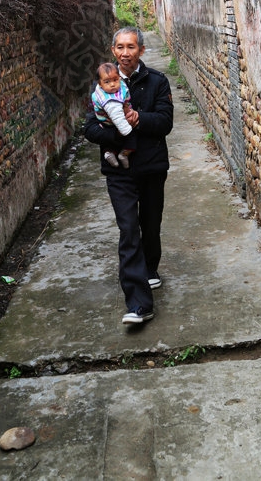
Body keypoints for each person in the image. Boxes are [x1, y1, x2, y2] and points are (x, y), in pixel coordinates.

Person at [84, 27, 173, 325]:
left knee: (150, 223)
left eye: (131, 47)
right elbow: (90, 129)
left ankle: (149, 267)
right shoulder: (101, 86)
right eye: (120, 47)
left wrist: (139, 119)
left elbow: (165, 122)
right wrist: (116, 127)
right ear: (113, 51)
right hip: (119, 171)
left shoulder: (157, 81)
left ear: (141, 51)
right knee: (128, 230)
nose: (125, 52)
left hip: (151, 166)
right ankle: (138, 303)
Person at [91, 62, 136, 169]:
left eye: (115, 80)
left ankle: (108, 153)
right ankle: (123, 154)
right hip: (113, 122)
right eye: (107, 82)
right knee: (131, 138)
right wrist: (126, 130)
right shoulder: (110, 99)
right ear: (100, 84)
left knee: (110, 142)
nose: (112, 84)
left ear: (119, 78)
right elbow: (117, 117)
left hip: (105, 124)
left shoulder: (111, 89)